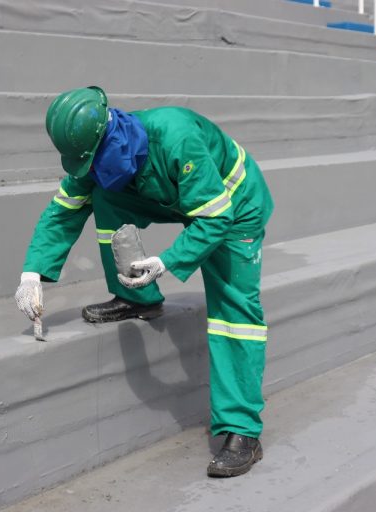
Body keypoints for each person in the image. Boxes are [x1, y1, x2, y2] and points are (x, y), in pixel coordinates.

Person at [15, 86, 274, 477]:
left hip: (234, 207)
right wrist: (31, 273)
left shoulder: (175, 136)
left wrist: (167, 261)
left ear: (110, 138)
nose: (88, 172)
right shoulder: (94, 158)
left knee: (232, 311)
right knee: (106, 197)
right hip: (178, 196)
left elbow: (215, 217)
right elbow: (62, 211)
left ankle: (242, 431)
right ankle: (137, 297)